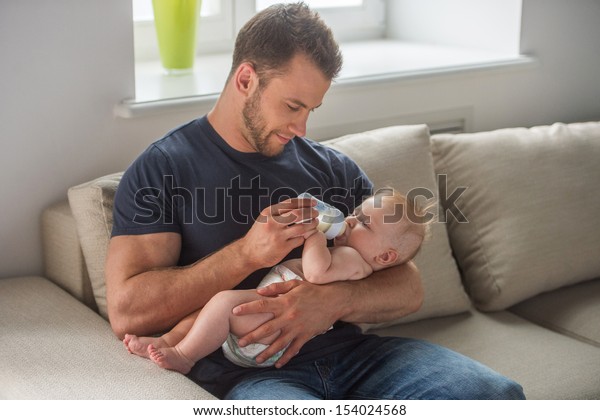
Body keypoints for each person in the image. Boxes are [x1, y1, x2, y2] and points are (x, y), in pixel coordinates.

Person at [105, 2, 525, 399]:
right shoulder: (164, 170)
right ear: (246, 80)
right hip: (255, 374)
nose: (302, 128)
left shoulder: (331, 169)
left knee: (495, 396)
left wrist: (331, 300)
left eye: (312, 109)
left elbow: (407, 285)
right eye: (292, 106)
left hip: (358, 359)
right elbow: (128, 314)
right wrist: (247, 254)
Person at [122, 190, 429, 373]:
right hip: (265, 325)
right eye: (356, 213)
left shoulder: (353, 260)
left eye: (363, 222)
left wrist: (315, 237)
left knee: (222, 304)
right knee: (212, 309)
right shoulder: (352, 252)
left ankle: (184, 356)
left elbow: (316, 274)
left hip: (271, 333)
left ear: (385, 257)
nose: (349, 220)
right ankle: (165, 341)